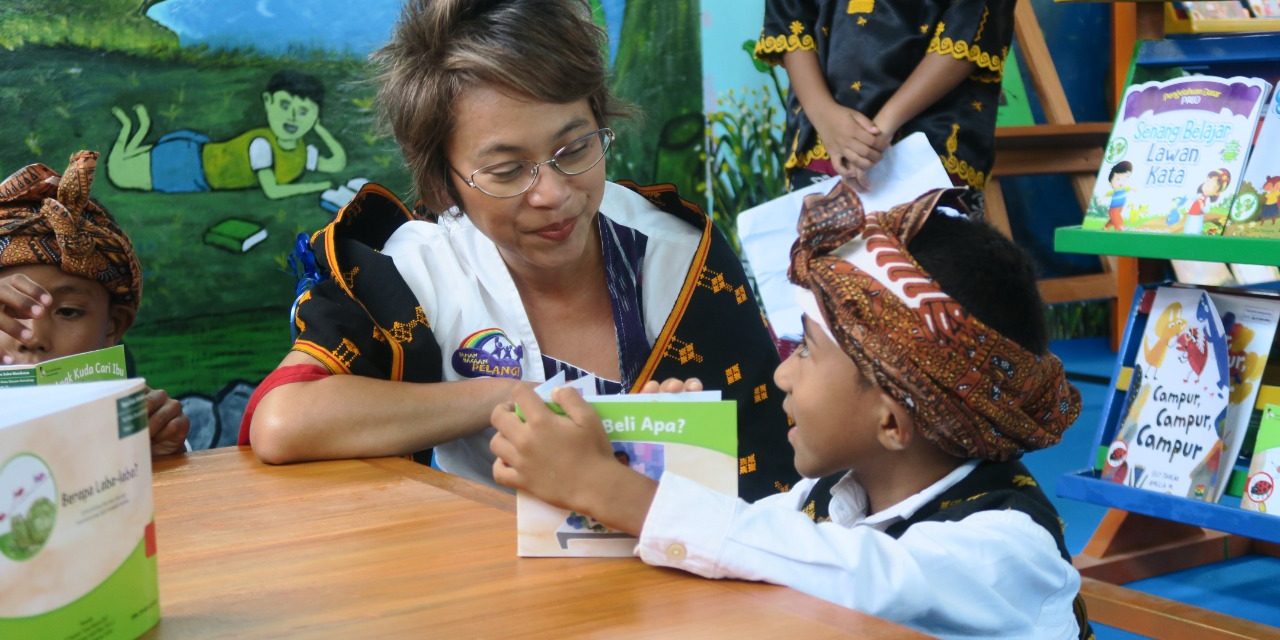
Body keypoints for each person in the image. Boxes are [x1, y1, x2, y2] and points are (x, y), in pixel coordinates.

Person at [240, 0, 798, 501]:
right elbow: (283, 421)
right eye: (507, 171)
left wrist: (675, 445)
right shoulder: (414, 273)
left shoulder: (677, 257)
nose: (553, 193)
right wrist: (500, 395)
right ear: (442, 185)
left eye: (575, 146)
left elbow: (770, 470)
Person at [490, 183, 1092, 639]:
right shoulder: (827, 498)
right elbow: (748, 540)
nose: (782, 371)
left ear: (892, 420)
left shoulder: (1007, 550)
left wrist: (610, 488)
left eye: (805, 348)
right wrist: (651, 463)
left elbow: (860, 579)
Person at [0, 151, 190, 457]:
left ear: (113, 325)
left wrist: (159, 460)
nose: (33, 337)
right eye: (9, 311)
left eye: (67, 311)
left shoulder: (140, 429)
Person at [755, 1, 1016, 191]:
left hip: (932, 140)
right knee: (827, 263)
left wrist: (878, 131)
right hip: (824, 141)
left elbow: (968, 32)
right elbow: (790, 25)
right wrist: (825, 116)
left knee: (932, 262)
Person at [107, 70, 347, 199]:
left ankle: (135, 129)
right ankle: (131, 129)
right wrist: (317, 186)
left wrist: (320, 129)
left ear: (315, 115)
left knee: (123, 168)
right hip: (188, 165)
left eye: (304, 111)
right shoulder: (261, 145)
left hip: (195, 159)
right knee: (119, 174)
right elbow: (272, 191)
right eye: (284, 106)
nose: (293, 117)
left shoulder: (300, 153)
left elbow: (336, 163)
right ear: (268, 102)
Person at [1099, 161, 1133, 230]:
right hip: (1114, 209)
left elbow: (1129, 188)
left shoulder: (1125, 188)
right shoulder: (1115, 191)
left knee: (1113, 219)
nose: (1121, 182)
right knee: (1116, 218)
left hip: (1120, 207)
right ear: (1110, 182)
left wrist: (1134, 189)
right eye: (1118, 179)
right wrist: (1101, 199)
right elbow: (1107, 194)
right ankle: (1120, 228)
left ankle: (1105, 228)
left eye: (1125, 178)